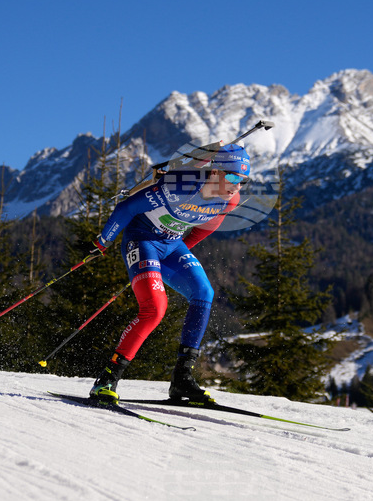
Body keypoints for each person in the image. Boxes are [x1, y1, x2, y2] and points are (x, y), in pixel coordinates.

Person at [87, 143, 251, 404]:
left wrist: (181, 256)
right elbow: (126, 209)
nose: (237, 185)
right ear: (215, 172)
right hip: (142, 241)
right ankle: (107, 379)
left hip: (171, 245)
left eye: (243, 180)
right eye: (232, 176)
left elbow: (205, 229)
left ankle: (182, 379)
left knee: (203, 292)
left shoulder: (230, 200)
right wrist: (102, 242)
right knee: (154, 308)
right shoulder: (182, 186)